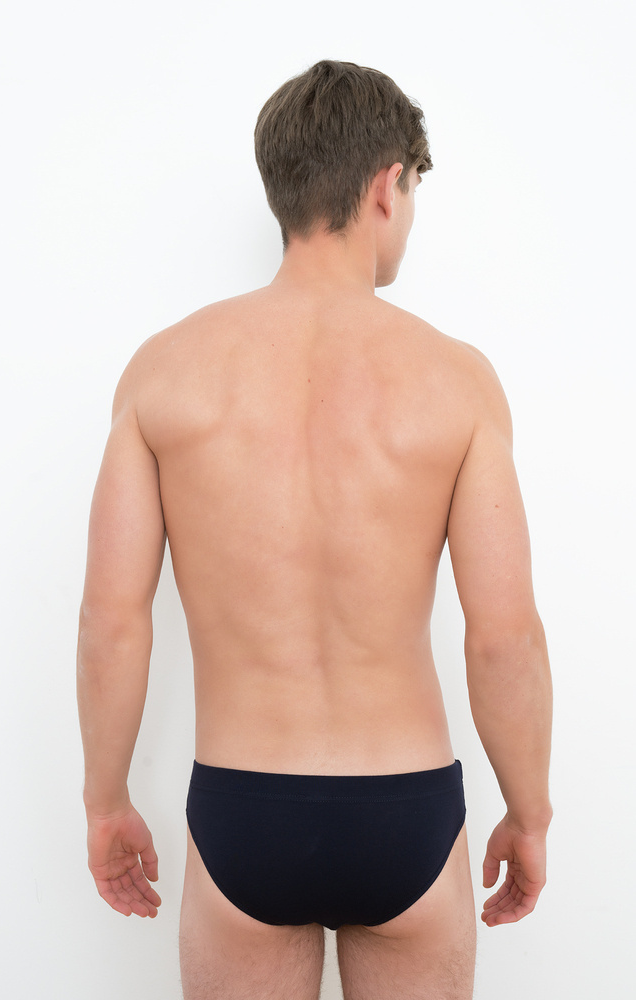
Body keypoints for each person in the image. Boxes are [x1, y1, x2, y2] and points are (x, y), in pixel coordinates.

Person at [77, 59, 552, 1000]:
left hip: (242, 806)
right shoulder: (455, 381)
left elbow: (112, 621)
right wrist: (528, 813)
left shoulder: (163, 372)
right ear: (386, 185)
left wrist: (104, 801)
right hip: (404, 809)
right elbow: (503, 637)